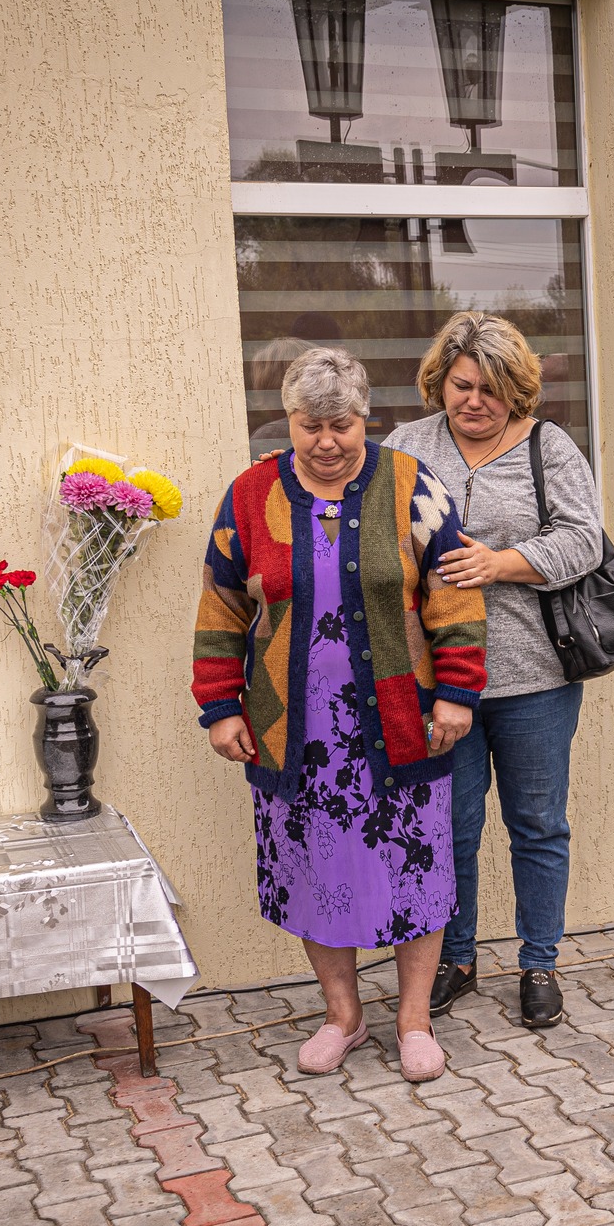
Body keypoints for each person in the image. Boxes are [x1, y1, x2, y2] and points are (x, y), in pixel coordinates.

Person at [193, 347, 487, 1083]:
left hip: (401, 721)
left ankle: (413, 1020)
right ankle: (343, 1015)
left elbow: (456, 597)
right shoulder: (249, 495)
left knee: (415, 869)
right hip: (293, 733)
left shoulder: (414, 486)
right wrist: (221, 706)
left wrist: (456, 691)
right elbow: (222, 606)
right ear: (288, 422)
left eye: (342, 425)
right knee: (314, 871)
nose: (327, 441)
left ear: (366, 420)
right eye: (310, 424)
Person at [386, 312, 604, 1028]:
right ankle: (458, 957)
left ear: (519, 392)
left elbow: (584, 542)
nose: (474, 401)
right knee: (450, 825)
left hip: (534, 677)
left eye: (492, 390)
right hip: (439, 678)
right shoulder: (407, 447)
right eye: (461, 385)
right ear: (439, 381)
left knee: (537, 822)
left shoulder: (550, 447)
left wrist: (499, 563)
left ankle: (539, 960)